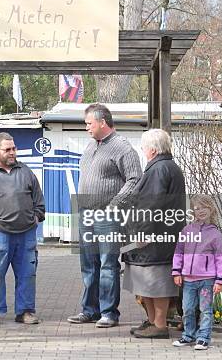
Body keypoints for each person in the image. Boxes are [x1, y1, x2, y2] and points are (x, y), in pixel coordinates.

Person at [68, 103, 142, 328]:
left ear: (102, 122)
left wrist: (114, 206)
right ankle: (89, 310)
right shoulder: (90, 146)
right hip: (86, 216)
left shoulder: (122, 147)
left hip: (108, 218)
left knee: (108, 265)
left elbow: (135, 180)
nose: (86, 128)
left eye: (89, 123)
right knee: (89, 265)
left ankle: (109, 313)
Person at [0, 132, 45, 326]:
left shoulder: (26, 171)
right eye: (8, 149)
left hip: (27, 233)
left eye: (14, 148)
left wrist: (37, 217)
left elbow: (39, 200)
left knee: (27, 274)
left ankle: (26, 311)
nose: (12, 152)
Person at [123, 128, 186, 339]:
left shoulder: (159, 169)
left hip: (155, 240)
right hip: (160, 237)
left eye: (143, 147)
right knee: (146, 282)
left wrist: (141, 233)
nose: (142, 150)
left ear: (151, 149)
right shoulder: (166, 167)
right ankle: (152, 322)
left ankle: (159, 325)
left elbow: (152, 204)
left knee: (155, 281)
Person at [172, 195, 222, 350]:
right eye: (197, 208)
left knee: (205, 310)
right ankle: (188, 336)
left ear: (211, 209)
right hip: (188, 280)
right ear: (192, 211)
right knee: (187, 308)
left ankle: (203, 338)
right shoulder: (187, 230)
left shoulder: (215, 234)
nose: (200, 211)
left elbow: (221, 257)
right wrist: (176, 271)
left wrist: (219, 280)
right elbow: (179, 252)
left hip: (207, 280)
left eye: (204, 207)